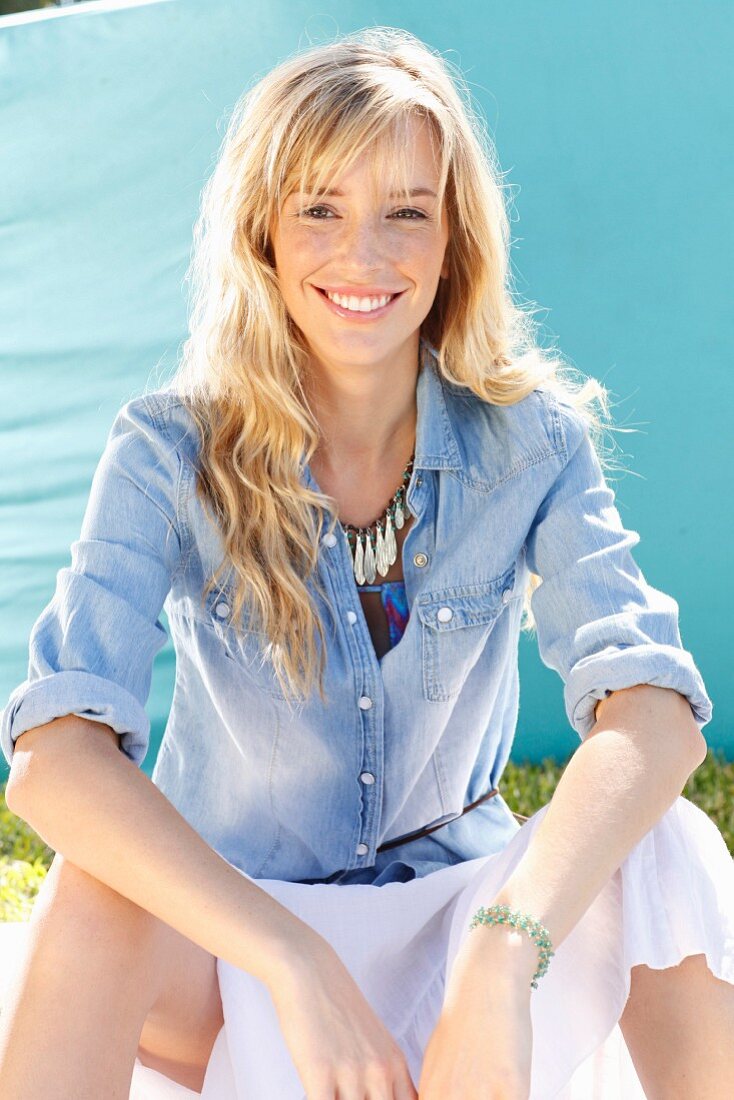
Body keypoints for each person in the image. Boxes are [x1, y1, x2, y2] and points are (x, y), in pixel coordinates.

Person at [1, 25, 733, 1100]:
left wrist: (500, 944)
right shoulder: (167, 447)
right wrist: (292, 957)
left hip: (461, 921)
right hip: (237, 949)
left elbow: (654, 712)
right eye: (320, 209)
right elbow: (55, 757)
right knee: (95, 891)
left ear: (451, 242)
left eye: (405, 211)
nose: (364, 254)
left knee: (665, 844)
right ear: (263, 234)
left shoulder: (530, 439)